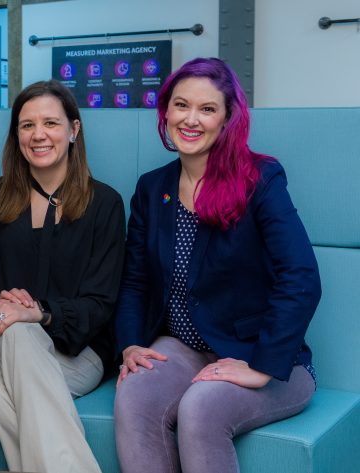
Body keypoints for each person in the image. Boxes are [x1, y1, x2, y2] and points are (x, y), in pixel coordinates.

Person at [114, 57, 321, 473]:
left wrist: (262, 366)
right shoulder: (153, 188)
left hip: (266, 357)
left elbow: (301, 277)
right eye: (181, 105)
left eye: (207, 109)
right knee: (134, 395)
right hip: (183, 347)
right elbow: (135, 280)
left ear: (227, 118)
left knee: (202, 408)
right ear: (166, 111)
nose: (191, 119)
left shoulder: (261, 179)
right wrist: (131, 343)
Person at [0, 80, 125, 473]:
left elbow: (100, 305)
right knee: (17, 332)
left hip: (76, 355)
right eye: (26, 125)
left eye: (50, 122)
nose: (38, 135)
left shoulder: (106, 204)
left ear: (74, 130)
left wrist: (39, 314)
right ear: (16, 134)